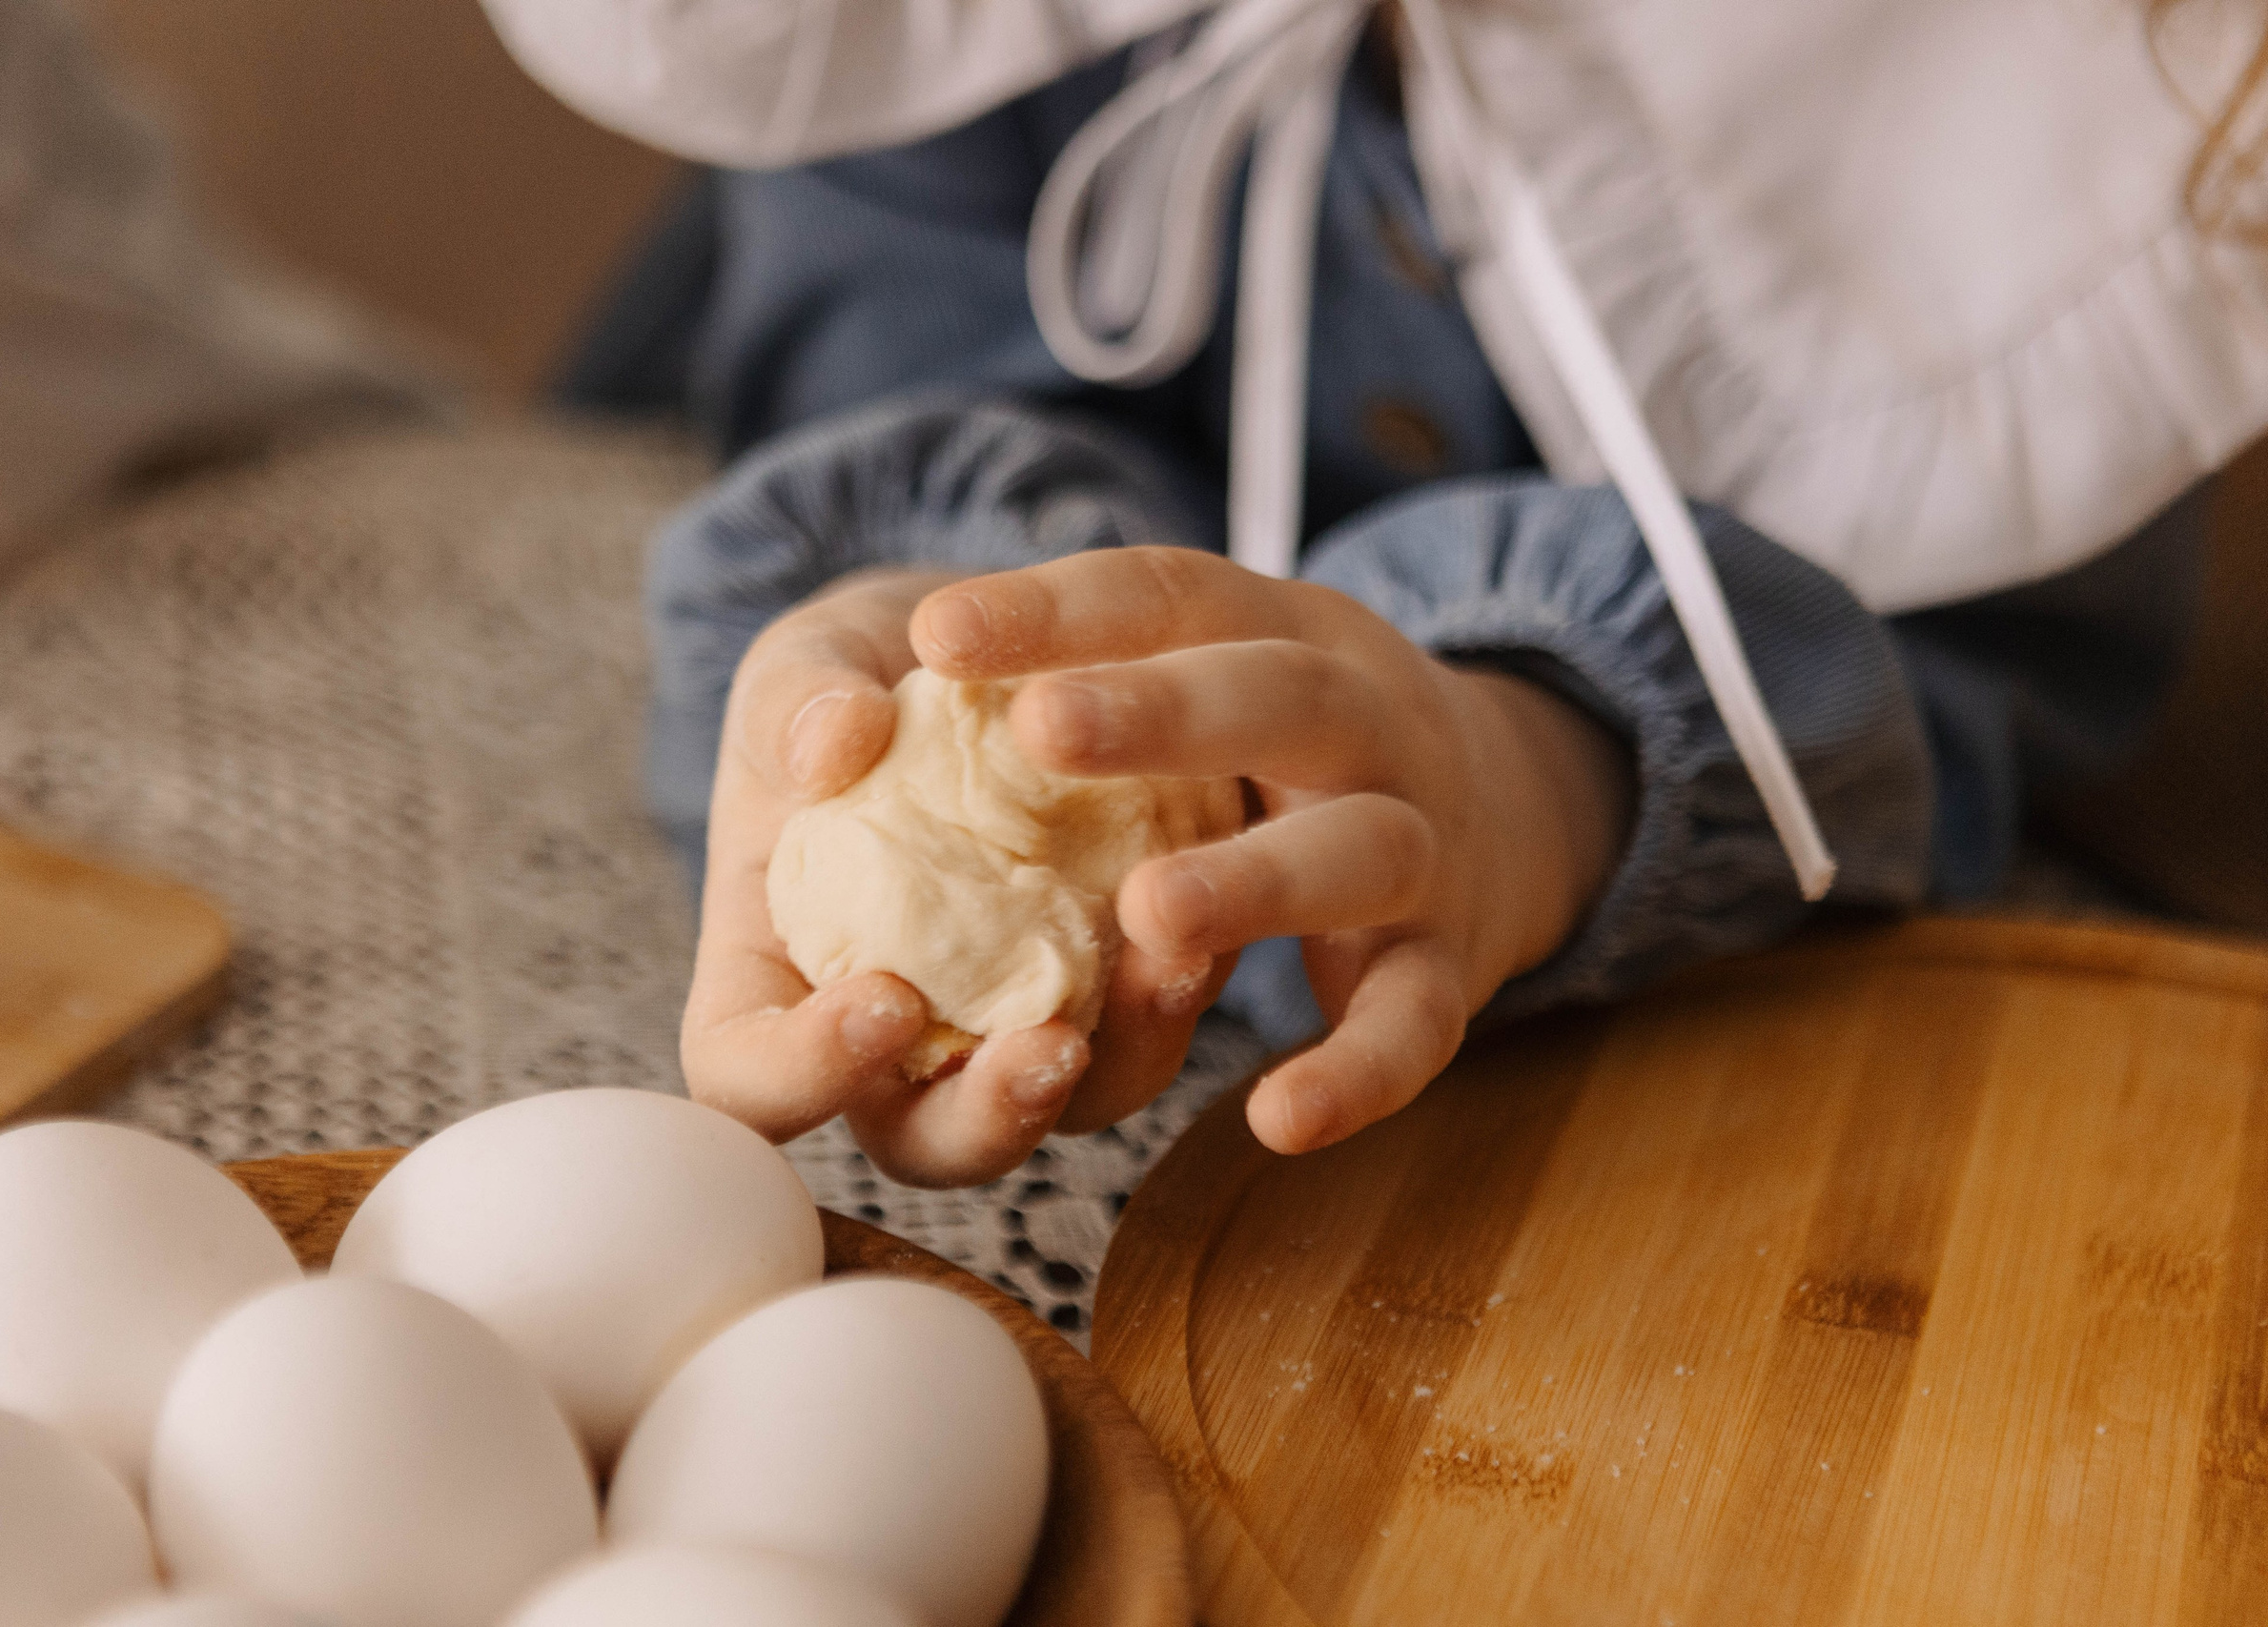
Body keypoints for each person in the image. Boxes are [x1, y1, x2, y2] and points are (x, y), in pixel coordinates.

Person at [486, 0, 2268, 1187]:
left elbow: (1946, 665)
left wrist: (1545, 764)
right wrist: (938, 624)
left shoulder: (2035, 113)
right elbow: (901, 354)